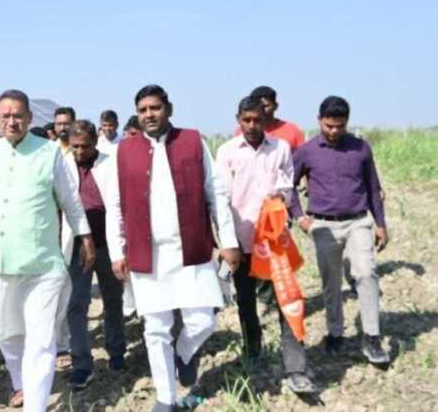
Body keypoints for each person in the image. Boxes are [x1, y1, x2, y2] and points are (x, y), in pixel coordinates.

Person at [0, 89, 95, 411]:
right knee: (6, 334)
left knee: (42, 339)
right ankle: (21, 382)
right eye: (5, 116)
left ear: (29, 118)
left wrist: (86, 238)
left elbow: (71, 201)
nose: (12, 121)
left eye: (18, 115)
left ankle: (36, 404)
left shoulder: (49, 153)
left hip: (42, 264)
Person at [112, 85, 241, 411]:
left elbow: (216, 193)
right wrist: (117, 251)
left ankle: (184, 353)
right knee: (156, 329)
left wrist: (229, 241)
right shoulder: (125, 150)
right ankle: (165, 397)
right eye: (142, 110)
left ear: (168, 109)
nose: (149, 115)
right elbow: (115, 205)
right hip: (147, 254)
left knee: (203, 321)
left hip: (191, 249)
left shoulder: (192, 141)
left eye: (154, 108)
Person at [215, 96, 316, 393]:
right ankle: (253, 350)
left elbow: (287, 187)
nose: (251, 125)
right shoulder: (227, 152)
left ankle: (296, 367)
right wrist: (226, 242)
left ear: (265, 120)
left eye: (257, 120)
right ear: (238, 120)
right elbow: (221, 198)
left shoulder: (280, 148)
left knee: (286, 301)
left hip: (273, 242)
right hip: (241, 240)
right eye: (246, 120)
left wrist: (278, 202)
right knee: (246, 302)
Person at [291, 96, 390, 366]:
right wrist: (300, 218)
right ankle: (335, 332)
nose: (334, 131)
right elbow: (289, 187)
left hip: (358, 222)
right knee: (331, 282)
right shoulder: (307, 151)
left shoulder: (361, 148)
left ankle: (372, 337)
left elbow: (373, 188)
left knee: (367, 273)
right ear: (319, 120)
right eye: (329, 126)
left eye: (340, 126)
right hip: (323, 226)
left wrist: (381, 224)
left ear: (347, 122)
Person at [61, 120, 126, 390]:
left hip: (107, 245)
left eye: (85, 146)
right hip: (76, 246)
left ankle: (117, 352)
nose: (79, 152)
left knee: (113, 300)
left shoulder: (111, 164)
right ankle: (81, 364)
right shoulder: (63, 166)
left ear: (95, 142)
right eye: (75, 146)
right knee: (76, 304)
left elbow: (118, 206)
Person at [52, 105, 77, 366]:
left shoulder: (82, 150)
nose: (62, 128)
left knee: (70, 291)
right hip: (53, 231)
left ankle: (65, 342)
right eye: (58, 124)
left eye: (66, 123)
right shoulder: (49, 153)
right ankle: (57, 342)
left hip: (77, 230)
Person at [235, 85, 304, 151]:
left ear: (275, 106)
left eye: (265, 106)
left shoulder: (292, 131)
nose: (261, 110)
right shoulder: (241, 132)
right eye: (257, 106)